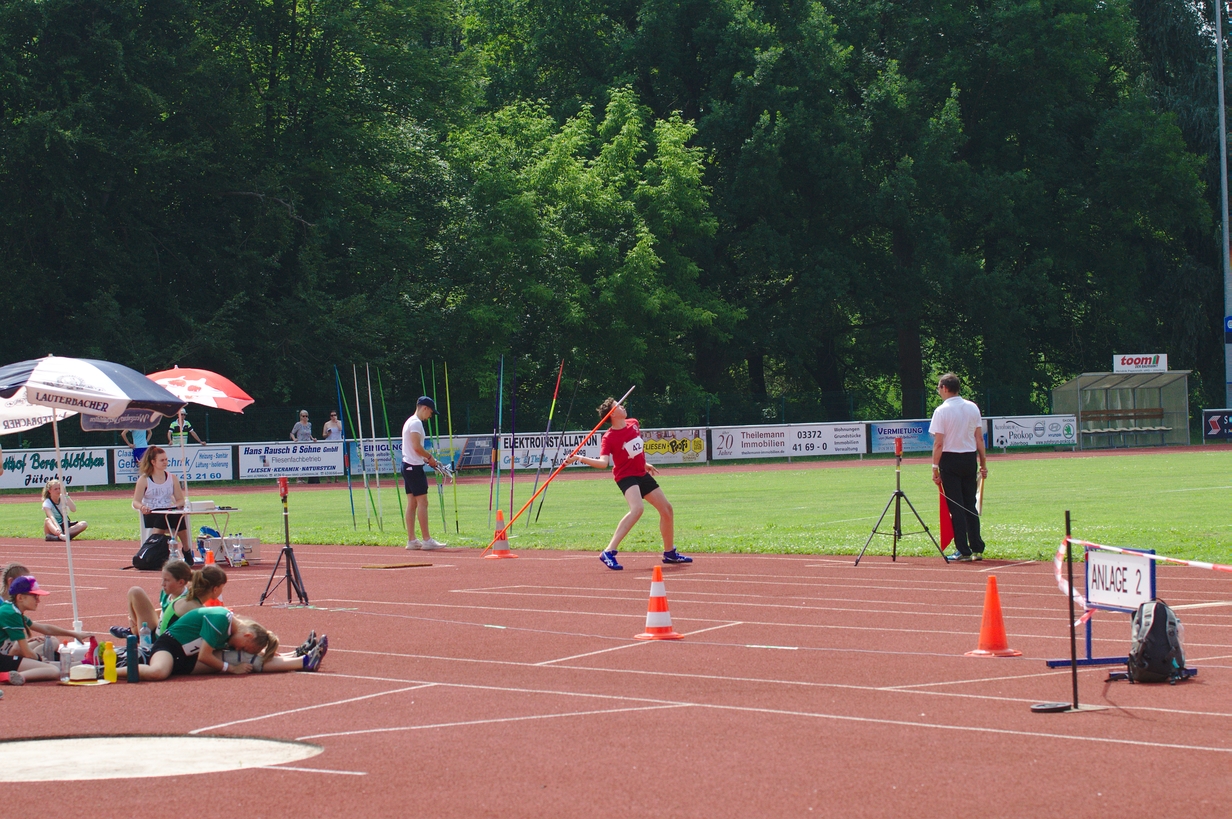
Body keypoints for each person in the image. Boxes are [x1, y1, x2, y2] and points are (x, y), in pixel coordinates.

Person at [566, 397, 691, 570]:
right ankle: (608, 551)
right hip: (625, 476)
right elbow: (603, 463)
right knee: (637, 509)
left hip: (640, 473)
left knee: (667, 510)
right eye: (619, 406)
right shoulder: (609, 437)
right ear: (612, 414)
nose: (623, 406)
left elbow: (634, 449)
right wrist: (578, 458)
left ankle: (669, 553)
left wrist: (644, 464)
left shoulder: (634, 424)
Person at [137, 605, 327, 680]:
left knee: (244, 657)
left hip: (187, 658)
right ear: (247, 635)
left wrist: (275, 654)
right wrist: (231, 669)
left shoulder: (232, 630)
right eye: (242, 645)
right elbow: (204, 655)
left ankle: (299, 657)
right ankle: (120, 669)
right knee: (158, 672)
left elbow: (204, 653)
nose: (237, 647)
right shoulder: (221, 619)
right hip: (169, 647)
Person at [929, 372, 989, 562]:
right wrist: (983, 464)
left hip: (950, 459)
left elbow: (938, 443)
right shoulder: (972, 407)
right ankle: (977, 547)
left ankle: (963, 549)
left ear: (945, 388)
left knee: (956, 507)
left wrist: (934, 467)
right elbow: (979, 438)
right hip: (969, 458)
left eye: (939, 388)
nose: (939, 391)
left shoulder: (941, 411)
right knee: (970, 504)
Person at [1, 576, 88, 684]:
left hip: (4, 655)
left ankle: (80, 664)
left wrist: (74, 634)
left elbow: (45, 629)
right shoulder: (11, 614)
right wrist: (40, 659)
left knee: (50, 643)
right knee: (53, 671)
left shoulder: (10, 608)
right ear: (20, 597)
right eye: (35, 596)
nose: (38, 600)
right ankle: (11, 676)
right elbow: (27, 653)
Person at [109, 559, 201, 642]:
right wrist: (134, 618)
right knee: (135, 591)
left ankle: (137, 636)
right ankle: (134, 631)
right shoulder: (165, 593)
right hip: (156, 631)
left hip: (167, 640)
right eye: (162, 579)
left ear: (180, 582)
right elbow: (165, 611)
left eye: (166, 580)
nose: (162, 584)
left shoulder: (187, 601)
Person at [402, 396, 447, 551]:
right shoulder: (415, 423)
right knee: (422, 502)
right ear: (424, 408)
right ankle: (426, 540)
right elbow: (416, 447)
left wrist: (427, 459)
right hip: (413, 467)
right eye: (431, 412)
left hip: (409, 465)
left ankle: (412, 540)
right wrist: (429, 457)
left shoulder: (410, 421)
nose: (430, 416)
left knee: (412, 503)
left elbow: (414, 448)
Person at [131, 446, 192, 560]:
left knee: (178, 517)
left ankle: (186, 549)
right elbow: (135, 501)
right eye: (162, 460)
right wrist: (142, 507)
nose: (165, 462)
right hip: (152, 513)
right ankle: (156, 550)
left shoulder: (172, 478)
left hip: (169, 511)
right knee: (162, 517)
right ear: (153, 462)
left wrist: (175, 506)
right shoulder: (144, 479)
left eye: (166, 459)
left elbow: (180, 499)